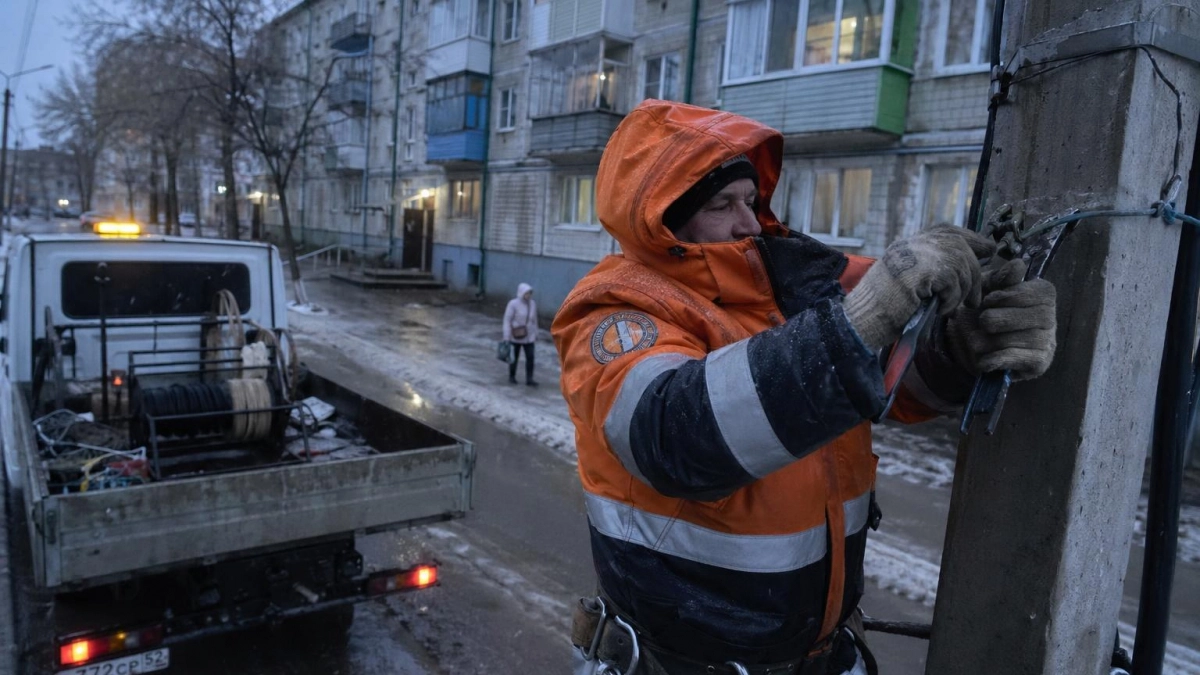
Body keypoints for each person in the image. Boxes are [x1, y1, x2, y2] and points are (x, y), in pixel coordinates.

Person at [551, 101, 1058, 675]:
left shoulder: (780, 295)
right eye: (722, 205)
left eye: (751, 200)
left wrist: (960, 351)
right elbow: (675, 436)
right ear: (663, 219)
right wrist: (856, 324)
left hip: (821, 657)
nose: (748, 222)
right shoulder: (614, 312)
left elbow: (888, 386)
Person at [504, 282, 540, 386]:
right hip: (516, 335)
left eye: (530, 293)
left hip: (529, 336)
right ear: (521, 293)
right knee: (514, 357)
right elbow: (507, 320)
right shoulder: (513, 304)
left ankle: (529, 379)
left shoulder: (532, 303)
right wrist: (507, 336)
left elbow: (535, 320)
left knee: (530, 357)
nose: (529, 295)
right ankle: (512, 376)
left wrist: (535, 333)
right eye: (527, 293)